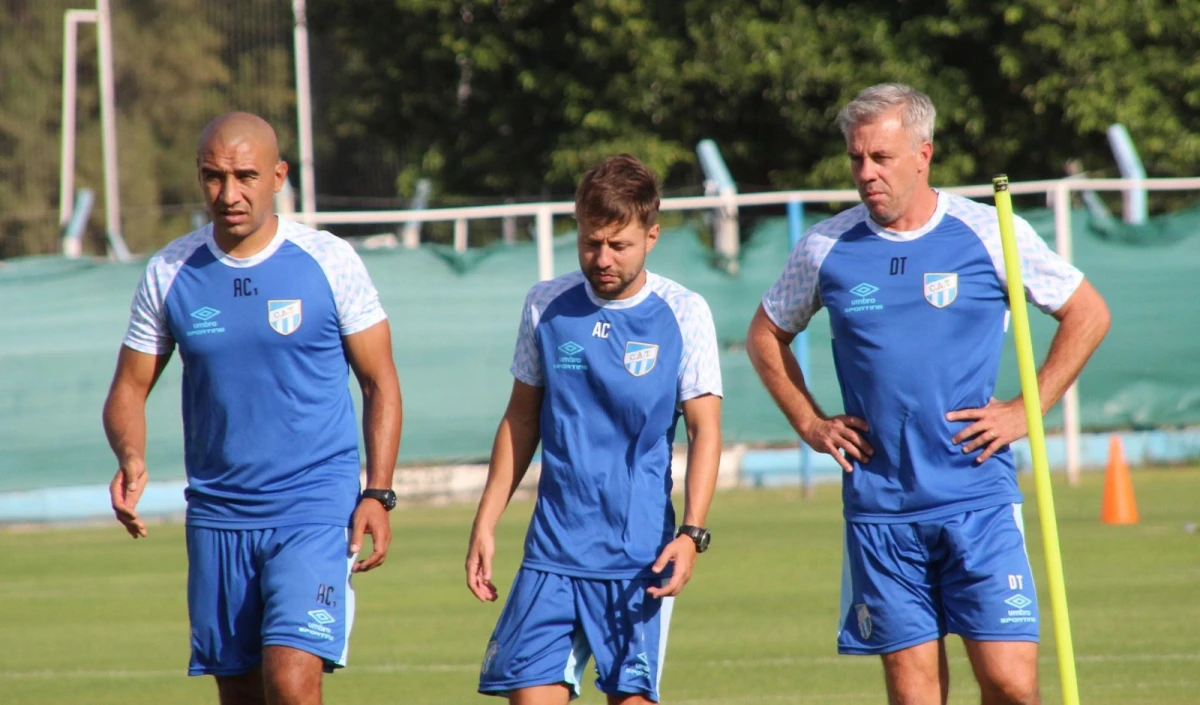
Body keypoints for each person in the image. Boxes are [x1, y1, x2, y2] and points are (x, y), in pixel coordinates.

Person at [746, 84, 1110, 705]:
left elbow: (1088, 314)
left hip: (977, 498)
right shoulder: (825, 246)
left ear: (923, 154)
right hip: (881, 508)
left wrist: (1027, 410)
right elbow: (764, 337)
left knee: (1011, 686)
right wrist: (811, 425)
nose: (865, 174)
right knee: (915, 697)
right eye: (856, 159)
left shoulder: (989, 231)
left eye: (880, 158)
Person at [102, 112, 403, 705]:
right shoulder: (169, 272)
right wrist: (131, 456)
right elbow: (128, 389)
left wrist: (378, 491)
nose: (229, 194)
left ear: (278, 177)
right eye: (214, 177)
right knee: (240, 695)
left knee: (291, 683)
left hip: (313, 506)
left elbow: (380, 382)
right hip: (218, 513)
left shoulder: (329, 261)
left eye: (245, 176)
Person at [465, 154, 723, 705]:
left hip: (638, 556)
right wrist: (486, 522)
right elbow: (521, 419)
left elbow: (705, 431)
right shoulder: (545, 305)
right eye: (589, 243)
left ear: (651, 236)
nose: (602, 258)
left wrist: (692, 533)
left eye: (618, 245)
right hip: (553, 552)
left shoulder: (685, 312)